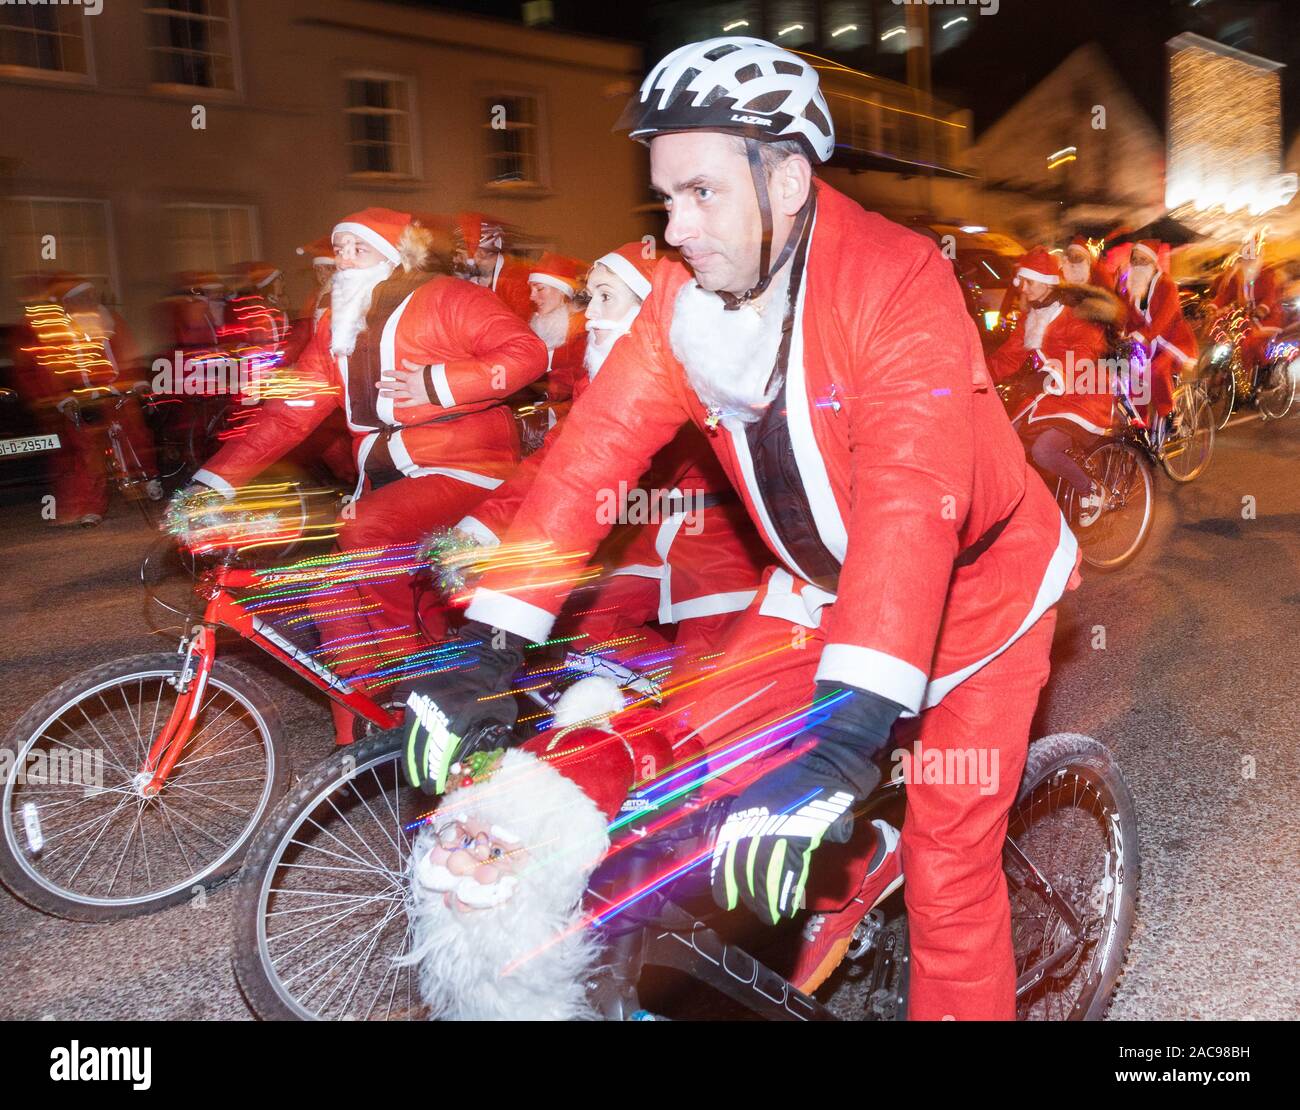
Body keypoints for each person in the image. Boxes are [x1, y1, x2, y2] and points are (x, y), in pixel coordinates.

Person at [401, 36, 1080, 1020]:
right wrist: (486, 643)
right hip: (815, 590)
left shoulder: (897, 282)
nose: (676, 227)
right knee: (688, 758)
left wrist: (844, 744)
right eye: (664, 198)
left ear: (790, 179)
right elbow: (591, 458)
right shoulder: (686, 299)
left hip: (979, 599)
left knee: (949, 869)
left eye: (701, 193)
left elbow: (907, 509)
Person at [175, 207, 547, 742]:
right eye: (340, 247)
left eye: (358, 247)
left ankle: (413, 680)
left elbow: (526, 352)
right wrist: (212, 482)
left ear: (394, 254)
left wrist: (438, 383)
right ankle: (360, 739)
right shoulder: (338, 323)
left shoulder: (447, 295)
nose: (344, 258)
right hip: (385, 480)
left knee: (365, 531)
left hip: (469, 469)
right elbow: (292, 411)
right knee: (330, 589)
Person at [451, 241, 772, 681]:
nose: (593, 314)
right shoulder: (601, 383)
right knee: (588, 635)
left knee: (706, 677)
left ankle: (688, 718)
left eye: (607, 298)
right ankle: (645, 715)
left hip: (717, 544)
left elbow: (601, 471)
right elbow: (555, 467)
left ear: (650, 315)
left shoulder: (693, 374)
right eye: (592, 298)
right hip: (644, 533)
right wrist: (482, 529)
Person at [14, 274, 161, 526]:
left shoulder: (111, 322)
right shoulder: (57, 333)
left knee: (135, 433)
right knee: (86, 452)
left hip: (115, 389)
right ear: (69, 304)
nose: (90, 302)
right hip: (81, 396)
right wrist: (62, 398)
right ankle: (91, 505)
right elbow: (49, 370)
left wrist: (136, 381)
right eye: (83, 298)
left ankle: (147, 476)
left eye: (91, 297)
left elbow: (126, 353)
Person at [989, 247, 1122, 512]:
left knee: (1043, 450)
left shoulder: (1074, 311)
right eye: (1021, 281)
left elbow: (1084, 349)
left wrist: (1054, 373)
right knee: (1005, 439)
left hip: (1086, 391)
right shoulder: (1031, 316)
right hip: (1053, 392)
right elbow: (1007, 357)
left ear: (1047, 282)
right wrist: (977, 375)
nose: (1023, 288)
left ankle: (1092, 491)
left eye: (1029, 281)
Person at [1115, 239, 1197, 440]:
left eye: (1143, 260)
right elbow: (1125, 317)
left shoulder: (1166, 284)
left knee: (1156, 370)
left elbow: (1164, 318)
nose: (1138, 264)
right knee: (1133, 376)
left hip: (1172, 341)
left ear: (1152, 262)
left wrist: (1144, 335)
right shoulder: (1131, 287)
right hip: (1146, 344)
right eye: (1135, 260)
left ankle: (1170, 413)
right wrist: (1119, 335)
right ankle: (1139, 425)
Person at [1212, 230, 1283, 374]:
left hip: (1268, 319)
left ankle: (1263, 370)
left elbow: (1270, 295)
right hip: (1246, 319)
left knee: (1250, 343)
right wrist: (1214, 306)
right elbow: (1226, 295)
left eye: (1251, 256)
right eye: (1246, 257)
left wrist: (1263, 309)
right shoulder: (1239, 276)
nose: (1248, 260)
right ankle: (1236, 376)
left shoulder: (1266, 274)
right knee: (1227, 340)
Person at [526, 252, 588, 413]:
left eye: (539, 289)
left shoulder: (582, 331)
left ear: (562, 291)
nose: (532, 296)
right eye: (531, 289)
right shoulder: (535, 322)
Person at [452, 212, 535, 322]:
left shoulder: (517, 282)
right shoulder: (476, 280)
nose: (456, 260)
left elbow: (522, 328)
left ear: (480, 254)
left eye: (461, 256)